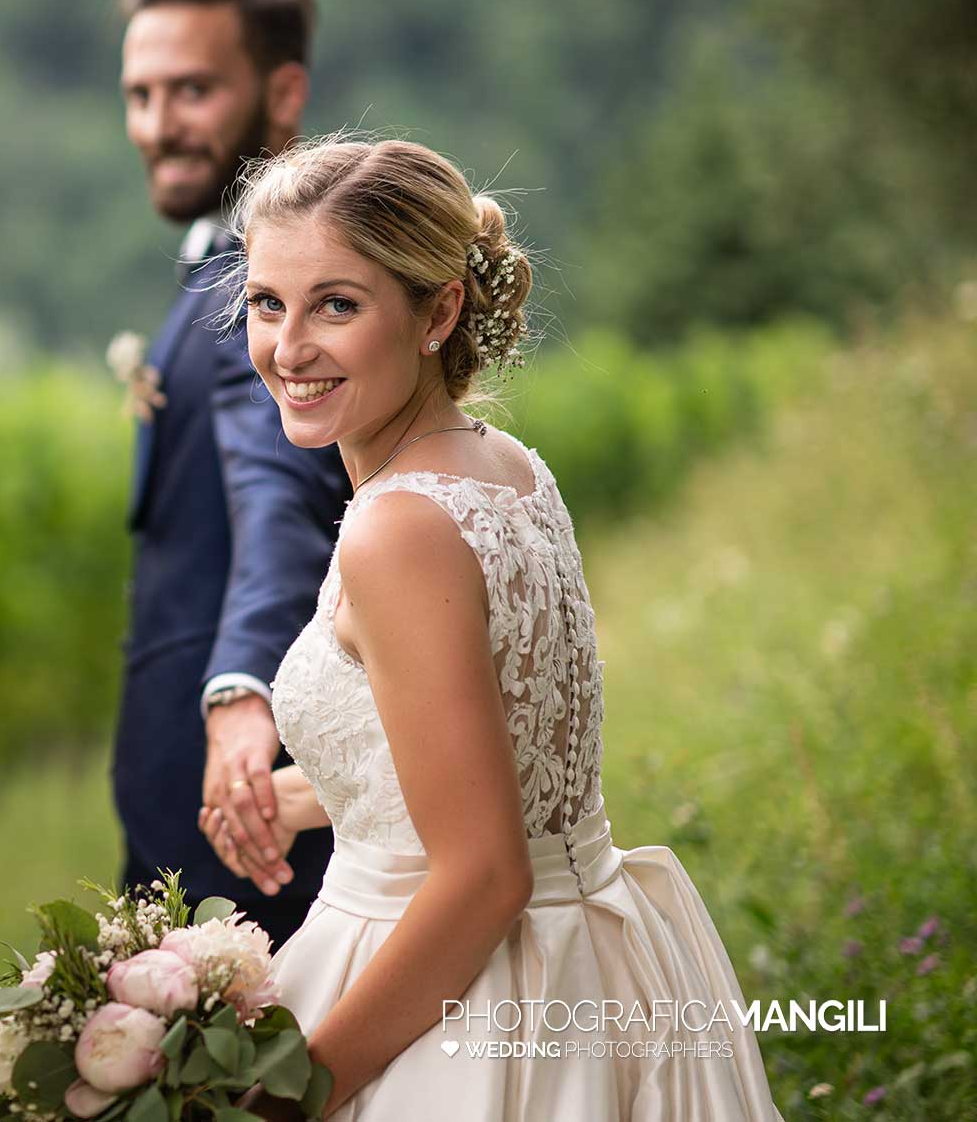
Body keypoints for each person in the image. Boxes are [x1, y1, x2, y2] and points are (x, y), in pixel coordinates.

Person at [199, 137, 783, 1119]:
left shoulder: (395, 528)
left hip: (466, 1003)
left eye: (334, 304)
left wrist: (284, 1094)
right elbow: (484, 754)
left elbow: (481, 875)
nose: (288, 347)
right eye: (267, 302)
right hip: (588, 952)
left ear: (436, 310)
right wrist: (302, 796)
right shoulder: (501, 465)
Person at [112, 0, 350, 944]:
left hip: (241, 812)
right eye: (138, 94)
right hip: (198, 803)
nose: (158, 124)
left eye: (193, 89)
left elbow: (276, 496)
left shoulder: (257, 294)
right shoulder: (220, 267)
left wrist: (240, 688)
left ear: (282, 92)